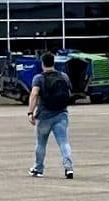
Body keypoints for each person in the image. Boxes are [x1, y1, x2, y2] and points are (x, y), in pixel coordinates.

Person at [29, 51, 75, 179]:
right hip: (61, 114)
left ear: (42, 63)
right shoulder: (64, 76)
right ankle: (68, 167)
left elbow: (34, 95)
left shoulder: (39, 78)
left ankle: (38, 169)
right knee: (63, 142)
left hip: (44, 115)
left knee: (41, 143)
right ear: (53, 62)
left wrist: (30, 112)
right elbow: (69, 92)